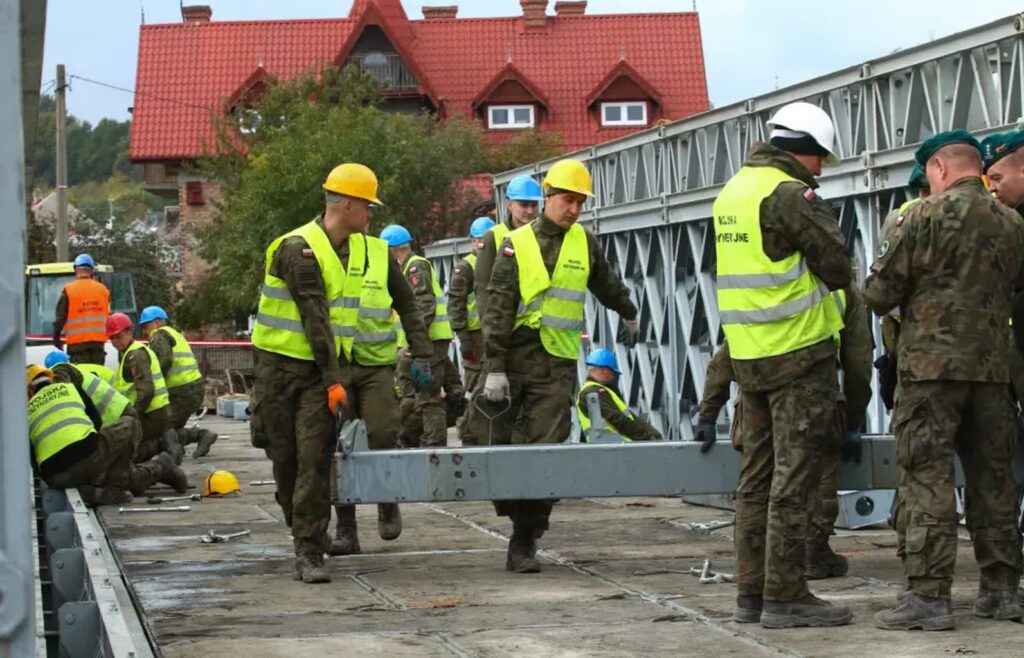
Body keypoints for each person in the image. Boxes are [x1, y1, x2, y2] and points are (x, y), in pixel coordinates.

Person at [864, 130, 1024, 630]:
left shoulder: (918, 217)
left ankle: (929, 598)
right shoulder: (1012, 222)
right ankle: (1002, 592)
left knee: (927, 476)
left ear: (938, 169)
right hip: (994, 372)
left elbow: (878, 295)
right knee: (994, 479)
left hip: (930, 373)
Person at [251, 163, 432, 582]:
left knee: (315, 459)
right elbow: (315, 319)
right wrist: (336, 379)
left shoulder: (368, 251)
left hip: (319, 374)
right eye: (367, 206)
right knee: (285, 461)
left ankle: (309, 550)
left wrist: (333, 379)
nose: (370, 214)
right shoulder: (297, 249)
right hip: (278, 371)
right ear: (348, 205)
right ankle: (301, 524)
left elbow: (398, 305)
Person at [712, 101, 853, 628]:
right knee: (795, 479)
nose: (821, 170)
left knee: (756, 479)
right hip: (799, 354)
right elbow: (837, 266)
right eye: (820, 159)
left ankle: (751, 594)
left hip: (750, 355)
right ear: (803, 150)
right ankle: (786, 596)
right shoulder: (789, 193)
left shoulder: (732, 191)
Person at [471, 158, 640, 573]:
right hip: (513, 359)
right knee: (491, 439)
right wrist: (494, 367)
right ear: (548, 197)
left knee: (544, 451)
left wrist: (628, 311)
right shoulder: (517, 243)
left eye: (581, 203)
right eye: (568, 201)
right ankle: (512, 506)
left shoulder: (585, 242)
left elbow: (605, 282)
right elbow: (497, 307)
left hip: (556, 365)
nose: (575, 210)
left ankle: (524, 540)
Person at [695, 284, 872, 582]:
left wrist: (708, 413)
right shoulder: (841, 289)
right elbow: (858, 362)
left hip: (756, 400)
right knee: (816, 478)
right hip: (813, 401)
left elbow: (727, 354)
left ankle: (754, 563)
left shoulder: (766, 282)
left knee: (756, 485)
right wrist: (854, 420)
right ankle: (811, 553)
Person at [26, 365, 186, 507]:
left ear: (29, 391)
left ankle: (95, 492)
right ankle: (122, 483)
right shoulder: (71, 388)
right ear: (50, 379)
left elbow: (31, 459)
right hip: (89, 454)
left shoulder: (25, 412)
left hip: (55, 478)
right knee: (131, 423)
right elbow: (95, 421)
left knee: (98, 474)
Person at [381, 224, 461, 449]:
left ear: (392, 250)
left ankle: (434, 445)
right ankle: (423, 439)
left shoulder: (415, 267)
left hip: (429, 342)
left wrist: (415, 342)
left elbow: (424, 306)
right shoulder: (408, 268)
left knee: (428, 397)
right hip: (431, 341)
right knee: (428, 393)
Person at [139, 306, 218, 458]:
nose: (144, 332)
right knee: (172, 428)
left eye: (146, 326)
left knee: (164, 428)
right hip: (193, 389)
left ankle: (181, 449)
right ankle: (198, 438)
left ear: (156, 323)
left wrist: (152, 381)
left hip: (182, 391)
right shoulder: (175, 334)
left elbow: (164, 361)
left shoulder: (159, 335)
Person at [106, 312, 179, 464]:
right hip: (154, 412)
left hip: (151, 413)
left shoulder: (136, 354)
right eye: (112, 338)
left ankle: (163, 449)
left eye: (118, 336)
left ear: (128, 332)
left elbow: (146, 392)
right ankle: (165, 446)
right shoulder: (129, 353)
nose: (115, 342)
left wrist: (132, 417)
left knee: (124, 458)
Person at [447, 216, 496, 439]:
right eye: (479, 240)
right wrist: (463, 336)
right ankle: (466, 426)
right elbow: (456, 304)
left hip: (493, 331)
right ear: (473, 241)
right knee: (475, 381)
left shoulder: (498, 262)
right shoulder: (465, 267)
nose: (482, 245)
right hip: (475, 336)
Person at [473, 175, 545, 317]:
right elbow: (482, 287)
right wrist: (489, 326)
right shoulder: (493, 236)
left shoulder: (543, 235)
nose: (530, 211)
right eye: (524, 205)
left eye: (534, 205)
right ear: (509, 204)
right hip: (506, 321)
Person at [576, 348, 661, 442]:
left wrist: (653, 435)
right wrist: (647, 438)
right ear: (604, 370)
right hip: (613, 446)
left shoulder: (598, 390)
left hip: (612, 446)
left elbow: (627, 417)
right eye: (613, 373)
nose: (614, 377)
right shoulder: (593, 391)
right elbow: (617, 418)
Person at [53, 253, 110, 365]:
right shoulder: (103, 290)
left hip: (77, 345)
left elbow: (60, 317)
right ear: (91, 271)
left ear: (76, 270)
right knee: (97, 374)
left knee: (81, 374)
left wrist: (56, 338)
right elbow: (108, 314)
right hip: (98, 345)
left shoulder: (69, 290)